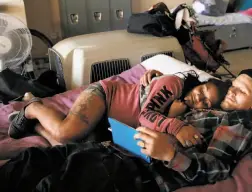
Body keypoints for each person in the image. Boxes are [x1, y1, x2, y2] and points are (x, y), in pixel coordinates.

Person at [0, 69, 252, 192]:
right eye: (234, 85)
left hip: (131, 169)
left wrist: (171, 155)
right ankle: (33, 113)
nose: (231, 92)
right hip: (115, 146)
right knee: (32, 161)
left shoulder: (237, 126)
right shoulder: (206, 106)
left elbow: (216, 171)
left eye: (240, 91)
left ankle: (35, 111)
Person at [8, 71, 230, 147]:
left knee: (67, 147)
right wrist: (176, 125)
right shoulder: (173, 84)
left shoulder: (186, 109)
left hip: (112, 125)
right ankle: (33, 107)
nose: (198, 100)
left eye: (206, 103)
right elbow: (145, 116)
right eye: (201, 91)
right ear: (198, 83)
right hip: (105, 97)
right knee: (67, 134)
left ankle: (36, 126)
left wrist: (172, 116)